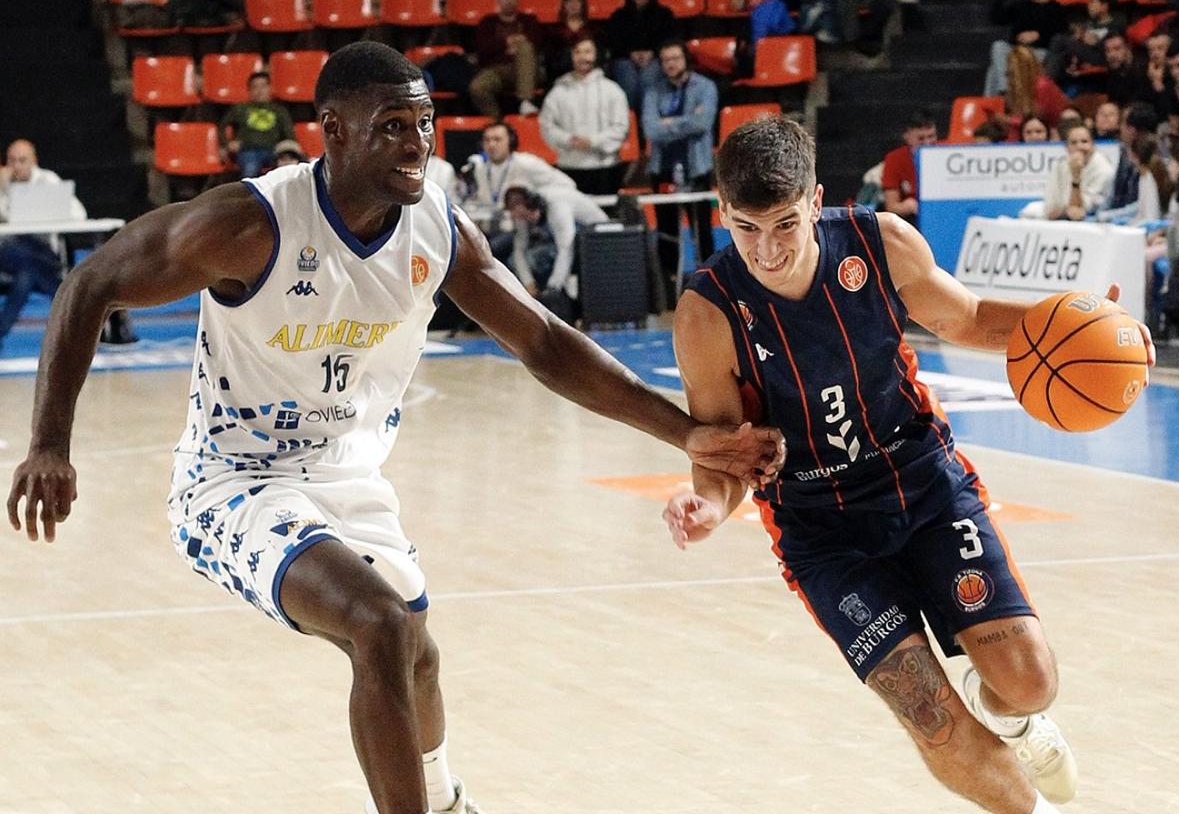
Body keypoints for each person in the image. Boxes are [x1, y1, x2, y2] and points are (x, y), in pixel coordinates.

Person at [5, 43, 785, 814]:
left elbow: (544, 341)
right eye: (392, 127)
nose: (417, 145)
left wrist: (684, 435)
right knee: (377, 626)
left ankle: (445, 801)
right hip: (233, 482)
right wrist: (49, 445)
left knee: (417, 655)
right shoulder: (251, 222)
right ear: (333, 132)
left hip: (347, 473)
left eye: (424, 123)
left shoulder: (435, 229)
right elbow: (90, 283)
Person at [662, 115, 1156, 814]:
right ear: (722, 213)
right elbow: (722, 449)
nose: (766, 250)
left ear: (815, 201)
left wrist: (1099, 331)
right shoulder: (707, 312)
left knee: (1029, 682)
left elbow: (971, 316)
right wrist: (709, 506)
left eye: (783, 225)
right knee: (931, 713)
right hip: (820, 528)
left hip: (920, 479)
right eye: (746, 229)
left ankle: (1017, 723)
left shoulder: (879, 241)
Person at [642, 39, 719, 302]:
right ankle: (668, 296)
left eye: (675, 58)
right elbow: (651, 129)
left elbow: (703, 122)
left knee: (703, 232)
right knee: (666, 233)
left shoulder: (705, 87)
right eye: (666, 60)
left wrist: (669, 124)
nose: (671, 64)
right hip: (662, 170)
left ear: (685, 58)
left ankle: (711, 289)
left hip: (696, 168)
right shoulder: (653, 91)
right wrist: (686, 122)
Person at [0, 139, 84, 353]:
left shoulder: (48, 181)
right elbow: (8, 223)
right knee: (22, 254)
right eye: (12, 161)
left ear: (34, 161)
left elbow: (79, 213)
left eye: (22, 160)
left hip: (42, 254)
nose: (17, 166)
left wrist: (55, 214)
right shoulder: (1, 185)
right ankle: (69, 303)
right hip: (9, 253)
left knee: (27, 272)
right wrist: (6, 191)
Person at [538, 37, 630, 195]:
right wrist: (569, 140)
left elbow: (621, 128)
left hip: (605, 169)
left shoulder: (612, 90)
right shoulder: (557, 92)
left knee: (606, 218)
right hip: (569, 168)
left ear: (596, 55)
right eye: (577, 52)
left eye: (587, 51)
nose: (582, 57)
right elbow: (547, 126)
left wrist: (592, 142)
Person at [461, 121, 577, 231]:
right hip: (489, 229)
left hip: (521, 230)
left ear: (510, 141)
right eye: (487, 140)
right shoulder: (479, 168)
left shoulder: (527, 163)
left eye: (497, 140)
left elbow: (567, 184)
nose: (491, 144)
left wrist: (535, 203)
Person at [500, 183, 608, 298]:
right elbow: (519, 251)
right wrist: (529, 284)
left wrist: (553, 288)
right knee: (514, 261)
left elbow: (566, 248)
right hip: (561, 241)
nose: (523, 220)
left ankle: (557, 295)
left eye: (526, 216)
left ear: (531, 205)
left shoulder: (557, 207)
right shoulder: (520, 214)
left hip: (596, 242)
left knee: (535, 260)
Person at [468, 0, 543, 119]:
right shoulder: (487, 22)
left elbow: (537, 43)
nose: (509, 1)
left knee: (525, 48)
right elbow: (483, 49)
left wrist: (513, 47)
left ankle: (526, 102)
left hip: (527, 69)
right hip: (496, 70)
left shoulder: (529, 21)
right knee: (477, 87)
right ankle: (497, 122)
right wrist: (506, 43)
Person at [604, 0, 676, 116]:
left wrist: (652, 53)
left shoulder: (665, 15)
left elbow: (669, 41)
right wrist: (631, 54)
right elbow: (613, 43)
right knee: (629, 79)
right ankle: (628, 122)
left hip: (655, 58)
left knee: (648, 77)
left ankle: (648, 122)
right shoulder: (618, 16)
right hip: (625, 58)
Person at [984, 0, 1067, 96]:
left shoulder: (1055, 8)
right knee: (998, 46)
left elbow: (1060, 35)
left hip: (1039, 51)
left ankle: (1003, 96)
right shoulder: (1020, 5)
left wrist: (1038, 35)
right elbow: (996, 18)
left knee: (993, 71)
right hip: (1016, 49)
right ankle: (1004, 91)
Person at [218, 71, 296, 178]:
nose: (259, 91)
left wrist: (289, 152)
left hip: (274, 150)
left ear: (270, 89)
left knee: (287, 168)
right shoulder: (241, 109)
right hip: (248, 150)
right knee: (250, 170)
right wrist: (226, 144)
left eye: (263, 86)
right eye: (255, 87)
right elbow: (222, 126)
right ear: (249, 90)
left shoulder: (279, 110)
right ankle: (249, 195)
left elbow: (289, 134)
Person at [1044, 120, 1115, 221]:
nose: (1079, 147)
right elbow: (1049, 211)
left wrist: (1076, 177)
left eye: (1084, 141)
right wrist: (1064, 211)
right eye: (1073, 143)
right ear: (1066, 147)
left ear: (1093, 145)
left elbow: (1079, 212)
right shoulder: (1059, 166)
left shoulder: (1104, 170)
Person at [881, 110, 937, 220]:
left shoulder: (946, 154)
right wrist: (907, 206)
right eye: (921, 138)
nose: (927, 143)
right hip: (911, 219)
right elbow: (892, 207)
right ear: (907, 137)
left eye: (931, 136)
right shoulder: (894, 159)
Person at [542, 0, 602, 84]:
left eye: (578, 1)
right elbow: (551, 59)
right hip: (562, 74)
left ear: (583, 5)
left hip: (589, 73)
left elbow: (598, 56)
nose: (573, 5)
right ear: (564, 5)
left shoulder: (593, 29)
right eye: (570, 1)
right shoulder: (554, 30)